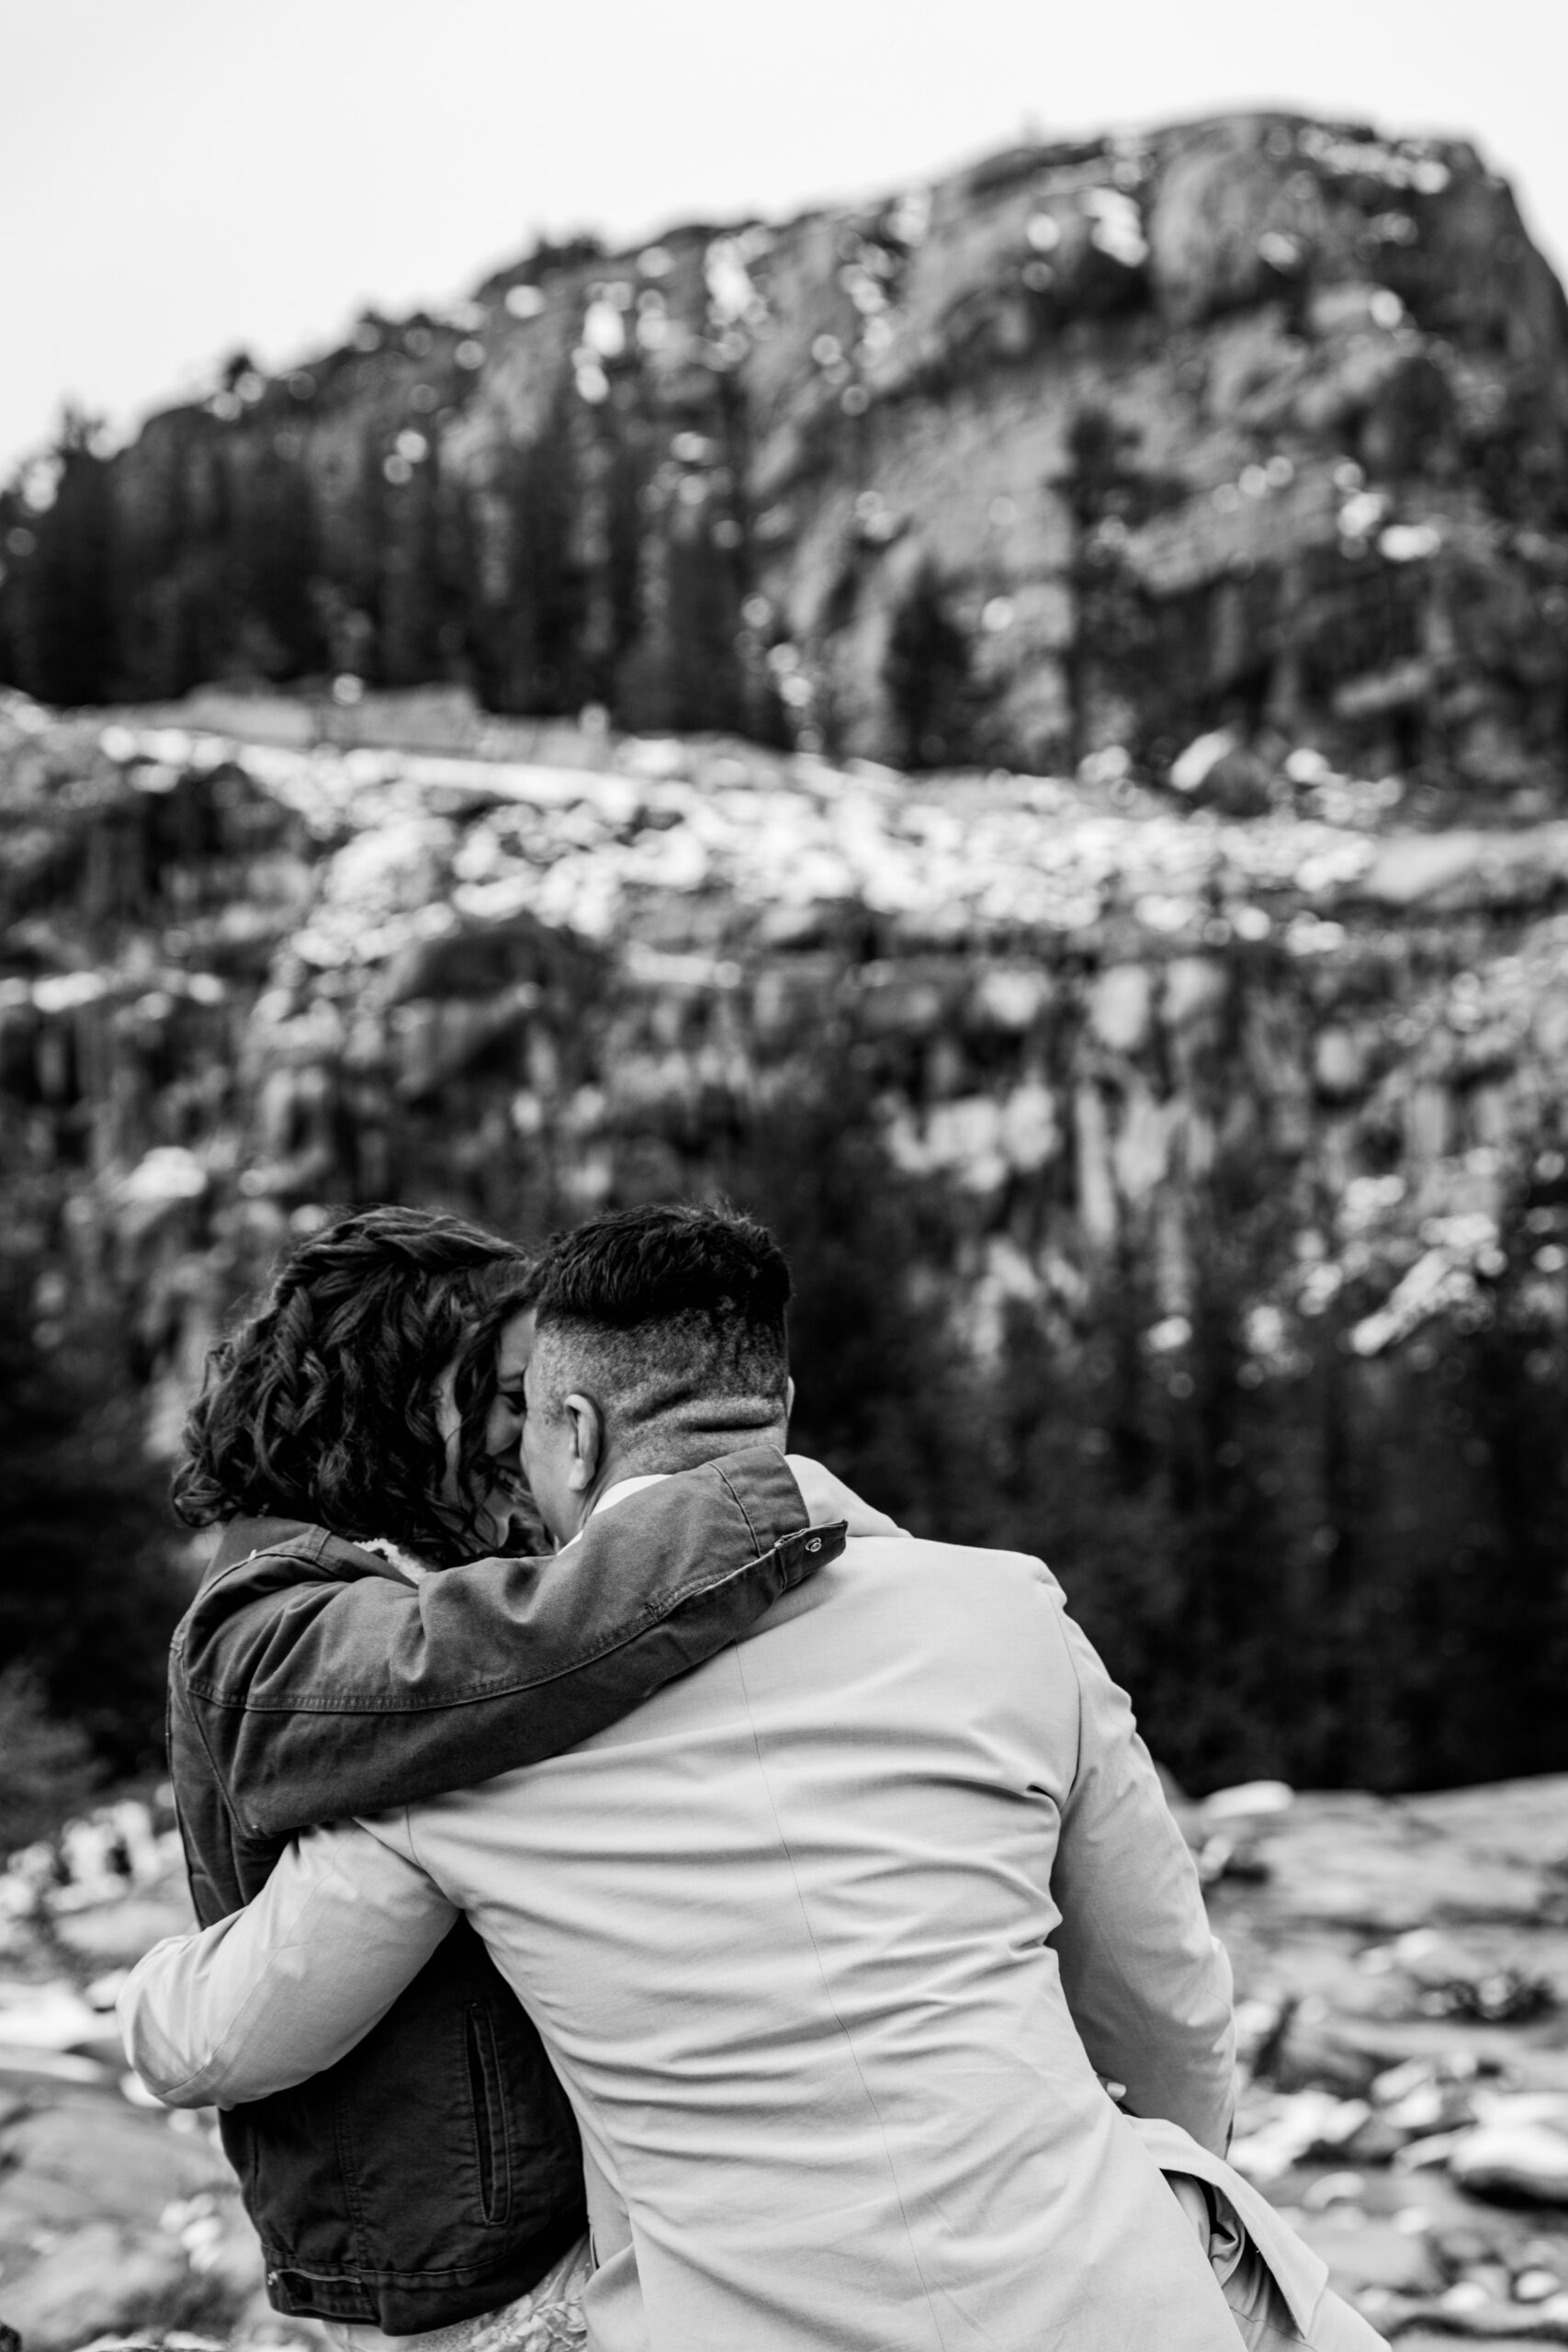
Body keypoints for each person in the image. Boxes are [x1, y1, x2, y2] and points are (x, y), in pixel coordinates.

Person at [125, 1203, 1385, 2351]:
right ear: (776, 1398)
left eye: (525, 1413)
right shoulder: (1007, 1614)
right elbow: (1164, 2008)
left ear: (573, 1427)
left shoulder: (467, 1736)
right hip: (1119, 2306)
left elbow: (239, 2022)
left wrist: (143, 2002)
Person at [152, 1203, 846, 2345]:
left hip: (545, 2216)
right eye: (510, 1392)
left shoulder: (457, 1564)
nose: (529, 1430)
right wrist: (737, 1514)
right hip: (440, 2254)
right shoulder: (265, 1612)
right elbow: (456, 1666)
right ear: (398, 1385)